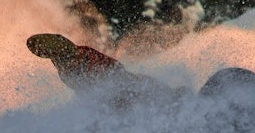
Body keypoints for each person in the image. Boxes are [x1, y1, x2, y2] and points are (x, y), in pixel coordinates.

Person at [26, 33, 184, 109]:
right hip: (113, 92)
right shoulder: (70, 64)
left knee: (140, 88)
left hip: (118, 84)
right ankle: (172, 99)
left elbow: (112, 69)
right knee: (138, 90)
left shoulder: (78, 55)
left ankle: (174, 98)